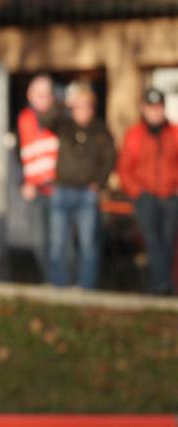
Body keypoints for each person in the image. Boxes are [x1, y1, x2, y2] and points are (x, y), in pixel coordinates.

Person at [40, 82, 116, 289]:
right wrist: (63, 103)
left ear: (92, 106)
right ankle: (59, 285)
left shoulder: (100, 129)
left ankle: (86, 286)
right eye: (78, 105)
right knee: (57, 242)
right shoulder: (64, 124)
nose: (82, 110)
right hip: (61, 189)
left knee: (88, 244)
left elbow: (109, 158)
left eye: (86, 105)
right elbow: (45, 120)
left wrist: (99, 183)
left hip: (86, 194)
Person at [117, 87, 178, 295]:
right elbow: (124, 168)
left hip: (170, 195)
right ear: (144, 108)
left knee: (168, 241)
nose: (155, 112)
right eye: (151, 108)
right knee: (152, 240)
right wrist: (137, 192)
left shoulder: (174, 132)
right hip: (145, 195)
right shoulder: (134, 135)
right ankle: (163, 285)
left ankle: (160, 284)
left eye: (159, 107)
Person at [17, 74, 59, 282]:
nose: (43, 99)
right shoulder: (24, 119)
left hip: (58, 189)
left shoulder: (60, 118)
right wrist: (24, 183)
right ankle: (51, 281)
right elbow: (20, 154)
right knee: (38, 241)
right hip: (35, 190)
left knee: (59, 242)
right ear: (30, 95)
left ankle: (62, 283)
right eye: (38, 94)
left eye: (47, 94)